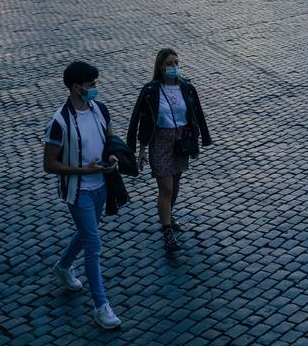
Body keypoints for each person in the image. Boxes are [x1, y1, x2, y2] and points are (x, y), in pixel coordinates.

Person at [43, 61, 122, 329]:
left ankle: (63, 266)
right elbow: (49, 164)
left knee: (87, 233)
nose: (95, 90)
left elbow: (109, 137)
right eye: (91, 85)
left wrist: (112, 155)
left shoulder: (100, 109)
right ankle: (101, 306)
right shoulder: (59, 122)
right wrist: (82, 170)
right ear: (76, 87)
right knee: (93, 244)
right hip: (78, 191)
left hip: (101, 185)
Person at [127, 49, 211, 253]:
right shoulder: (150, 90)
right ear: (160, 67)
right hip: (160, 141)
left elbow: (196, 114)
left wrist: (199, 140)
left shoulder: (187, 88)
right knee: (165, 187)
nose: (174, 67)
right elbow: (138, 119)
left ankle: (169, 214)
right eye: (169, 64)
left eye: (176, 62)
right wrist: (140, 149)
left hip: (181, 140)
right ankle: (167, 231)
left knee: (175, 182)